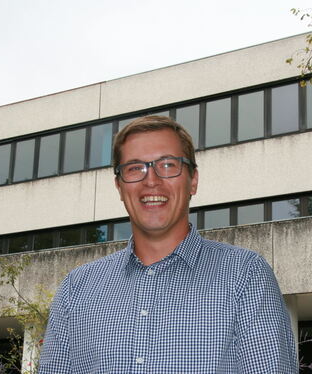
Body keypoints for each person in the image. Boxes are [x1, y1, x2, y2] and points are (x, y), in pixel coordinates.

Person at [39, 116, 298, 373]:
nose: (151, 180)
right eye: (134, 168)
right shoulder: (77, 288)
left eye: (167, 165)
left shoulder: (245, 275)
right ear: (119, 187)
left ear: (193, 180)